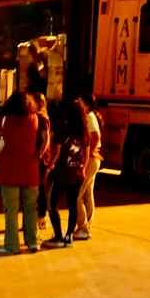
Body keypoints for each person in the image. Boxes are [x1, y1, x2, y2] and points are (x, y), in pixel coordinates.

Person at [0, 91, 48, 254]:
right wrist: (37, 156)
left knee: (11, 209)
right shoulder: (35, 119)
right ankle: (32, 242)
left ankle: (12, 245)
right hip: (30, 169)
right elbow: (45, 139)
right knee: (31, 207)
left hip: (9, 170)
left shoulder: (4, 120)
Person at [43, 100, 90, 248]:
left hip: (61, 174)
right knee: (72, 205)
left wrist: (48, 169)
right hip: (77, 173)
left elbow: (56, 153)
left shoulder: (62, 129)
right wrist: (82, 168)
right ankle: (69, 236)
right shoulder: (84, 130)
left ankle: (58, 236)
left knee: (51, 203)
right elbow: (86, 155)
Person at [74, 93, 104, 241]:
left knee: (76, 194)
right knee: (87, 194)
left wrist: (90, 152)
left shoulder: (88, 116)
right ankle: (86, 226)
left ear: (85, 104)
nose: (76, 103)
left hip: (90, 160)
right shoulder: (89, 115)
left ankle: (83, 226)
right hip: (93, 159)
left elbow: (96, 135)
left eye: (79, 101)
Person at [30, 91, 51, 230]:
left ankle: (41, 218)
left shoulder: (41, 118)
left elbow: (46, 139)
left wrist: (39, 155)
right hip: (36, 156)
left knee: (39, 188)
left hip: (40, 158)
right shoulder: (38, 116)